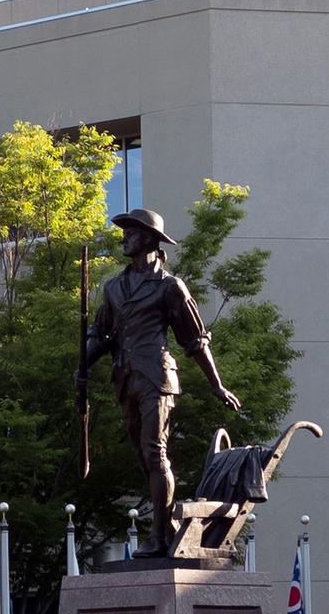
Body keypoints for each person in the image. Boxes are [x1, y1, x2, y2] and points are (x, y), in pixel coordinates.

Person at [79, 207, 241, 557]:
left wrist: (216, 384)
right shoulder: (114, 287)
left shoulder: (170, 286)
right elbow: (101, 335)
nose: (124, 238)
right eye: (124, 233)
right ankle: (165, 526)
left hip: (157, 377)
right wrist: (84, 364)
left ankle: (159, 535)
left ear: (149, 240)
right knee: (142, 456)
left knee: (156, 454)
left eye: (131, 233)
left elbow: (194, 341)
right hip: (125, 379)